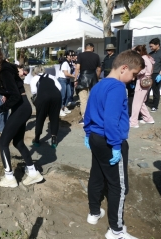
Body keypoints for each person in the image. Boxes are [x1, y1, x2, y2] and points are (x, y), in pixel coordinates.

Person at [83, 50, 144, 239]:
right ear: (124, 68)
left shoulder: (99, 85)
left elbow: (88, 111)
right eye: (134, 74)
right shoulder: (117, 88)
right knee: (118, 185)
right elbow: (111, 119)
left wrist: (87, 132)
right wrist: (116, 145)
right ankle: (116, 230)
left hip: (96, 137)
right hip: (110, 141)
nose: (133, 79)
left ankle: (94, 213)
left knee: (97, 175)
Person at [0, 39, 43, 188]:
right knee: (18, 142)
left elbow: (15, 96)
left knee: (2, 142)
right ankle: (33, 173)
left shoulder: (4, 69)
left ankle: (9, 177)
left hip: (22, 107)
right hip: (18, 107)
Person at [30, 65, 61, 148]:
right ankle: (54, 140)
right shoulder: (51, 76)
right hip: (56, 97)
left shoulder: (35, 78)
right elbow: (60, 87)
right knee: (54, 118)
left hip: (43, 98)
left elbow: (33, 91)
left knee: (40, 118)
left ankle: (37, 139)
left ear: (35, 72)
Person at [74, 43, 101, 124]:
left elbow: (77, 68)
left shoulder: (80, 55)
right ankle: (94, 116)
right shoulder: (96, 56)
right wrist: (97, 77)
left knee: (83, 99)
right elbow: (99, 69)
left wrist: (75, 79)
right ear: (92, 48)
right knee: (94, 98)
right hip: (93, 77)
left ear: (85, 48)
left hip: (83, 77)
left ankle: (84, 118)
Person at [129, 45, 155, 128]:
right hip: (147, 81)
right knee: (141, 102)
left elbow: (142, 70)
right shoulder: (148, 57)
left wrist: (134, 73)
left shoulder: (142, 58)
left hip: (142, 82)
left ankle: (133, 122)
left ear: (138, 51)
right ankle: (148, 118)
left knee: (136, 103)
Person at [58, 50, 75, 116]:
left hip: (67, 80)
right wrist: (74, 76)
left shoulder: (69, 63)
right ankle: (59, 109)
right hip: (62, 80)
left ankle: (64, 107)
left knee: (69, 94)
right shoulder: (65, 63)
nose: (72, 57)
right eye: (70, 55)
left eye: (73, 55)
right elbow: (66, 73)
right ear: (67, 56)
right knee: (63, 95)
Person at [148, 38, 161, 112]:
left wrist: (160, 75)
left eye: (152, 46)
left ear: (157, 45)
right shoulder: (150, 54)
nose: (151, 48)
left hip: (157, 74)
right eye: (150, 46)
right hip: (149, 74)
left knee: (155, 90)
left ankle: (154, 106)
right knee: (147, 89)